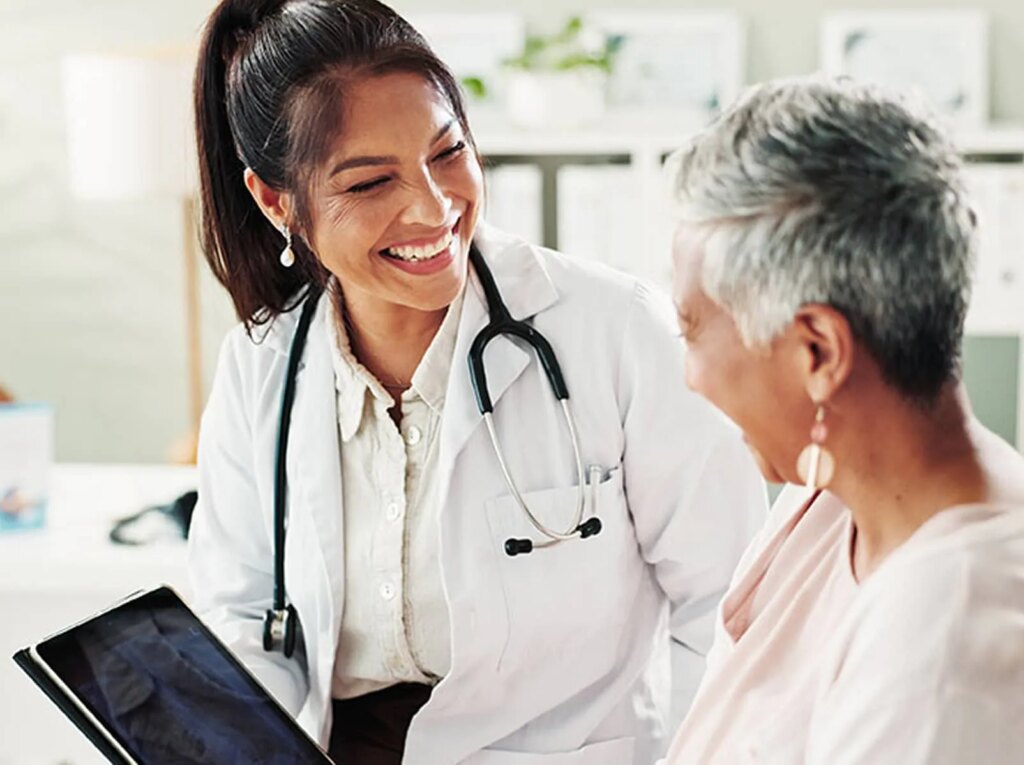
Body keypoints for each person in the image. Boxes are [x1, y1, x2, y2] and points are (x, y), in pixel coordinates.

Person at [187, 1, 766, 763]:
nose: (432, 207)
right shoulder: (260, 364)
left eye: (448, 152)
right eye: (368, 184)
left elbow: (735, 605)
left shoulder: (617, 332)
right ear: (275, 199)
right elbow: (242, 619)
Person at [663, 77, 1024, 764]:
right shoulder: (829, 488)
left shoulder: (947, 651)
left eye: (692, 329)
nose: (690, 375)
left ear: (818, 351)